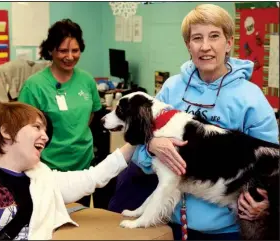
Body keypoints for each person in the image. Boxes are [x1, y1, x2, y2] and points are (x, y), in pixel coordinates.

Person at [108, 4, 279, 240]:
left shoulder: (251, 98)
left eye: (214, 36)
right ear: (188, 45)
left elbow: (271, 165)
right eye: (197, 38)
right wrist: (151, 145)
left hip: (226, 230)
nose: (205, 46)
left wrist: (268, 206)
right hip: (172, 222)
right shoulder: (172, 88)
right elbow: (141, 148)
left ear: (229, 43)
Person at [0, 102, 136, 240]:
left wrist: (135, 140)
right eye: (37, 127)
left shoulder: (42, 177)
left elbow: (92, 177)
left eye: (45, 131)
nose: (45, 136)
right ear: (6, 132)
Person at [18, 19, 102, 206]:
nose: (70, 56)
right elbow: (22, 129)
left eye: (75, 50)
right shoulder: (35, 86)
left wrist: (73, 131)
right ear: (51, 50)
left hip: (83, 166)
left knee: (81, 222)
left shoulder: (87, 80)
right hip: (47, 168)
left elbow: (91, 114)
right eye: (63, 50)